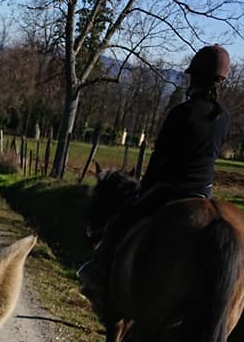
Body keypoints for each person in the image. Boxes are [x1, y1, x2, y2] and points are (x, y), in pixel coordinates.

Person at [80, 44, 231, 301]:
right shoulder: (225, 118)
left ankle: (99, 274)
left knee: (119, 222)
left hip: (170, 190)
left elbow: (160, 157)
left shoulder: (182, 112)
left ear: (194, 77)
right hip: (204, 193)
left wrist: (144, 188)